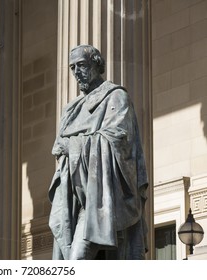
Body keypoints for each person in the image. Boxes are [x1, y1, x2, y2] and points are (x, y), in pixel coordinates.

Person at [48, 45, 148, 260]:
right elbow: (59, 144)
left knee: (77, 259)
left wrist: (72, 146)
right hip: (74, 195)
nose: (76, 71)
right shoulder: (71, 108)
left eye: (82, 65)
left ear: (97, 64)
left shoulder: (115, 97)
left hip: (101, 198)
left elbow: (118, 139)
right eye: (72, 67)